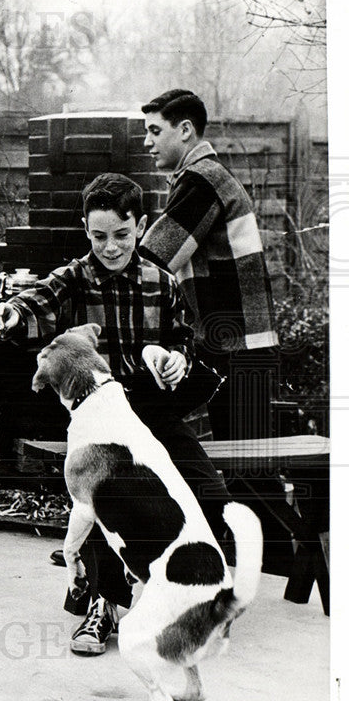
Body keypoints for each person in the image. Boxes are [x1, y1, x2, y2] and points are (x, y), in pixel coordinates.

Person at [0, 172, 231, 656]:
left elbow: (184, 340)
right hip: (102, 418)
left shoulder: (160, 281)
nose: (111, 247)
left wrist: (177, 359)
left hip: (152, 411)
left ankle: (191, 598)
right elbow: (36, 301)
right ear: (85, 229)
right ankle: (105, 603)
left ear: (140, 226)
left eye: (122, 235)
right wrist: (11, 311)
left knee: (209, 491)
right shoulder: (74, 277)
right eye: (99, 236)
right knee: (106, 495)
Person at [139, 89, 280, 441]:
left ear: (185, 130)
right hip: (230, 344)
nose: (146, 142)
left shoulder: (201, 180)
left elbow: (152, 257)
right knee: (241, 464)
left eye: (155, 131)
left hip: (238, 348)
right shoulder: (204, 176)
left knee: (249, 471)